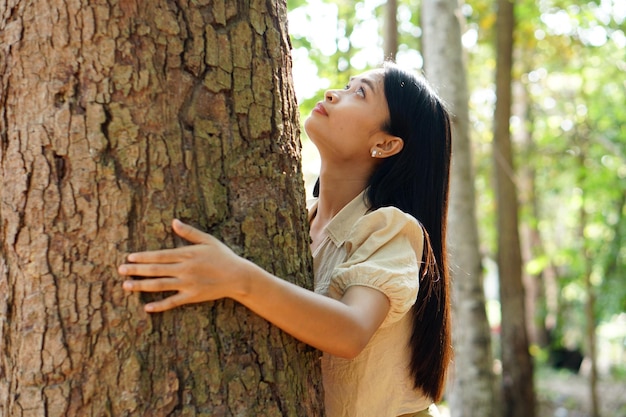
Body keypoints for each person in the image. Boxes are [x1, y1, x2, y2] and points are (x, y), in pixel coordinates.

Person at [118, 62, 453, 417]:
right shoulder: (294, 220)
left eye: (360, 92)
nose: (332, 93)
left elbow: (350, 332)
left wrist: (237, 278)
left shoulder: (389, 228)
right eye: (348, 84)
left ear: (384, 144)